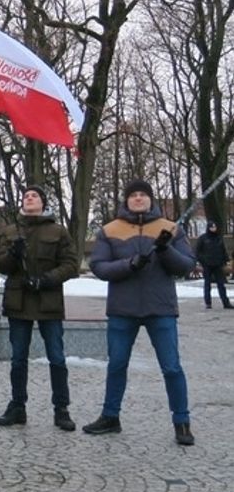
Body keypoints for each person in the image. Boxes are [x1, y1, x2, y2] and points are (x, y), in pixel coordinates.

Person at [84, 179, 197, 445]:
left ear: (150, 199)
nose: (138, 199)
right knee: (117, 365)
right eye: (133, 195)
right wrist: (130, 264)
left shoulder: (170, 229)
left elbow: (186, 266)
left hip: (161, 309)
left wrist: (165, 249)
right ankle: (110, 416)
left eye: (142, 195)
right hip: (123, 309)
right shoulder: (110, 230)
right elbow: (99, 266)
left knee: (171, 368)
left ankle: (182, 422)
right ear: (126, 200)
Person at [0, 185, 81, 431]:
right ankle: (17, 406)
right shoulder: (9, 231)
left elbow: (71, 264)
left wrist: (46, 279)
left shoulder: (58, 231)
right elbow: (0, 265)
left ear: (43, 203)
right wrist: (13, 254)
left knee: (57, 358)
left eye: (34, 196)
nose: (29, 198)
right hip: (18, 301)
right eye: (26, 196)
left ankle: (61, 409)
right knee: (18, 358)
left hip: (48, 301)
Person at [194, 220, 230, 309]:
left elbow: (223, 250)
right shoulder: (203, 238)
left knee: (221, 284)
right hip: (207, 265)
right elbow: (197, 251)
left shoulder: (218, 238)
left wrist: (225, 260)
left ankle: (225, 302)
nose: (213, 229)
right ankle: (208, 303)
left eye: (214, 227)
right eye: (212, 227)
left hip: (218, 264)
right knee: (207, 284)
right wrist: (203, 261)